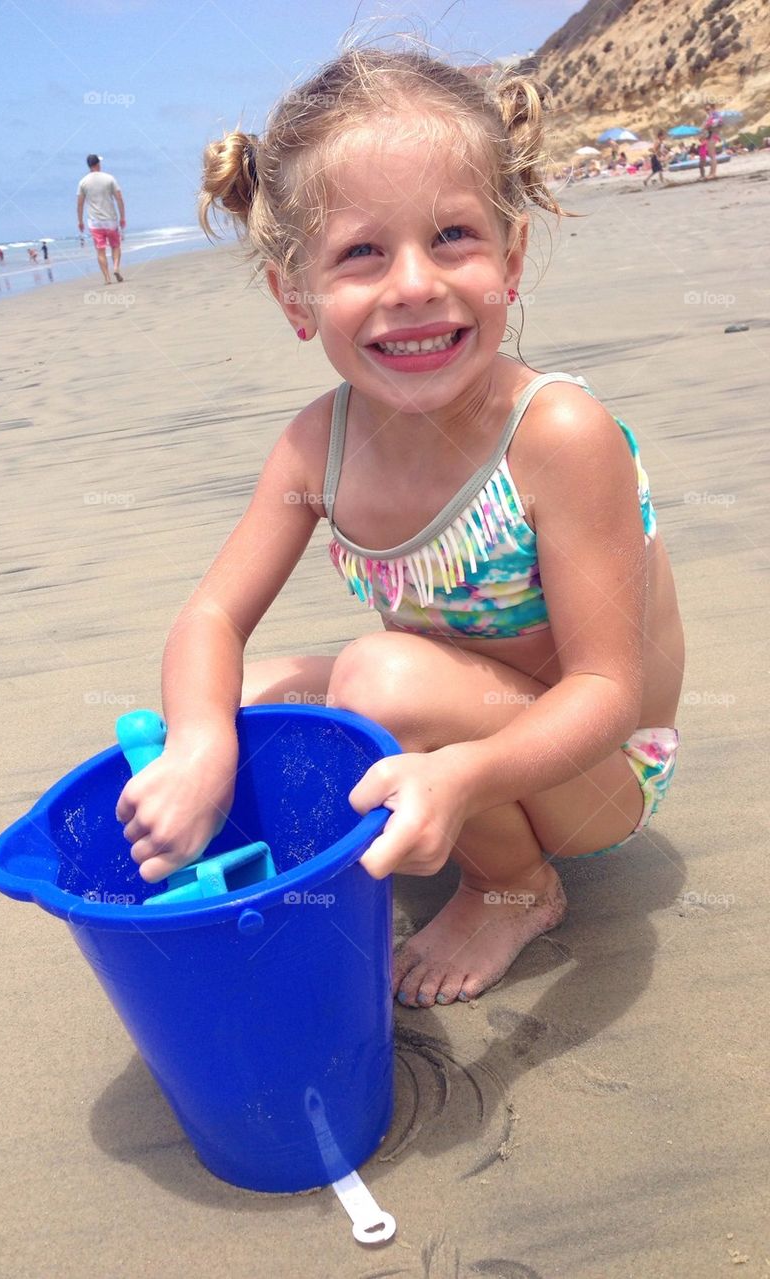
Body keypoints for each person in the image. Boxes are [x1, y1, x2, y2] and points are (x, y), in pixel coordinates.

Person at [115, 48, 685, 1009]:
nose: (413, 284)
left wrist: (464, 774)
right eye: (361, 252)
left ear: (508, 258)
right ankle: (417, 807)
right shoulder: (317, 449)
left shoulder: (556, 435)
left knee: (378, 674)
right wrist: (203, 741)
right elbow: (212, 617)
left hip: (596, 769)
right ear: (296, 296)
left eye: (452, 236)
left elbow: (608, 692)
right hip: (461, 715)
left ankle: (512, 882)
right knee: (236, 701)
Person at [77, 154, 126, 283]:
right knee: (115, 246)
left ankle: (107, 278)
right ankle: (116, 268)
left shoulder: (83, 182)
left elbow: (80, 203)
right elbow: (119, 198)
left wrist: (80, 221)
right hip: (110, 220)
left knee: (100, 251)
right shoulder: (109, 178)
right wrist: (122, 217)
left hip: (95, 222)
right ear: (98, 164)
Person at [701, 102, 722, 180]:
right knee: (711, 154)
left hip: (713, 135)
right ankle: (711, 173)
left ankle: (713, 173)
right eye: (706, 109)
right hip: (711, 135)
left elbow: (715, 124)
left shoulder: (715, 115)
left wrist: (707, 126)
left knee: (712, 155)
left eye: (708, 109)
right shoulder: (711, 116)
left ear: (713, 108)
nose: (707, 111)